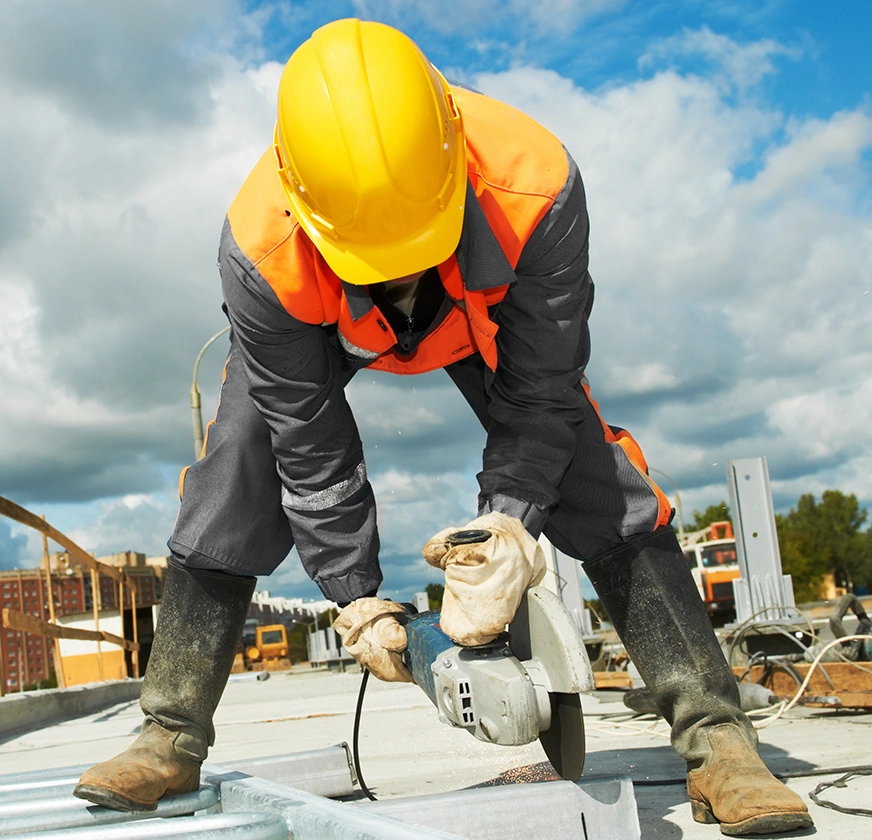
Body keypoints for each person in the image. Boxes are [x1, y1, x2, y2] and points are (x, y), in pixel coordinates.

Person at [75, 19, 812, 835]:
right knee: (239, 464)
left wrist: (505, 527)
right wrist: (355, 599)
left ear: (454, 151)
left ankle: (718, 742)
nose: (399, 274)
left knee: (593, 470)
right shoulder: (262, 247)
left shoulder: (536, 184)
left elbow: (540, 390)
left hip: (480, 315)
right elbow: (310, 447)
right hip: (320, 326)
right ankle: (169, 734)